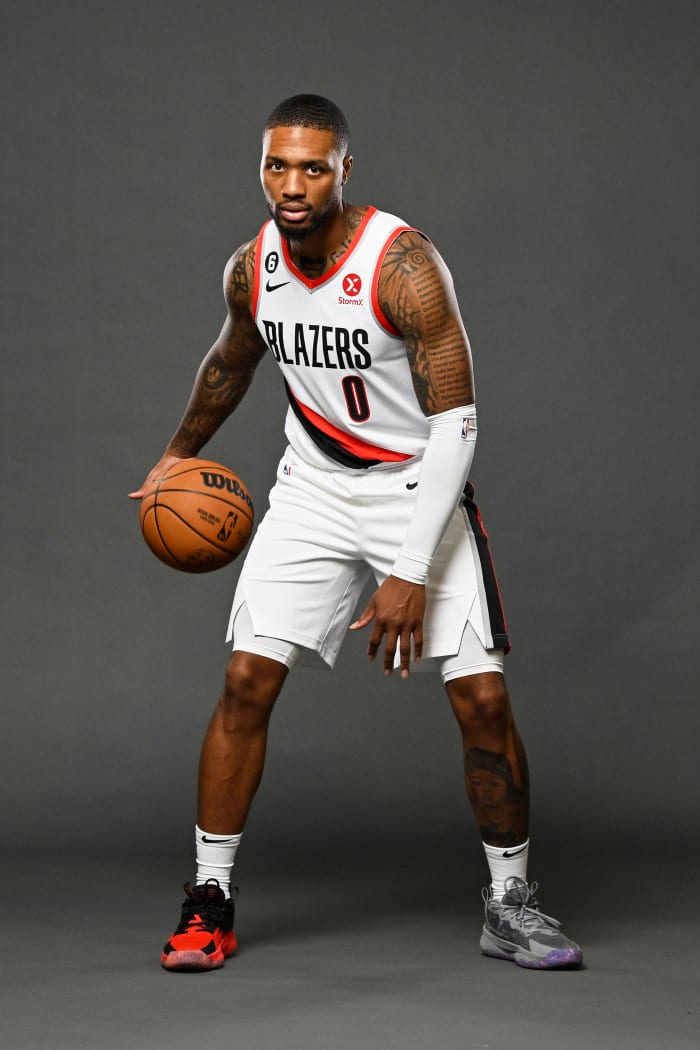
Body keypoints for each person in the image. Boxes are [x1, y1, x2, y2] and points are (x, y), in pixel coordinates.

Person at [130, 94, 582, 973]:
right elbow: (231, 361)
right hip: (312, 493)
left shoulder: (403, 265)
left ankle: (510, 901)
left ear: (344, 170)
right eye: (276, 165)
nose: (292, 184)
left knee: (483, 700)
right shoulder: (252, 266)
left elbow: (457, 422)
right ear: (261, 167)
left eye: (312, 166)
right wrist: (174, 456)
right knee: (244, 682)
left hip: (417, 487)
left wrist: (411, 567)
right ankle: (208, 898)